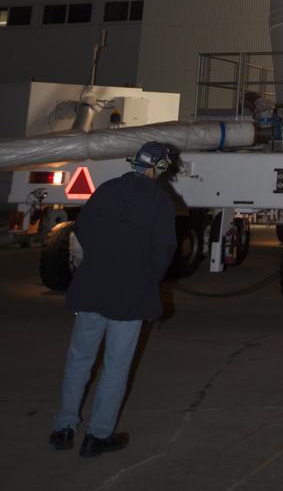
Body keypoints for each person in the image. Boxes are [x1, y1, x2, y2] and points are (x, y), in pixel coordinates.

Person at [48, 141, 176, 457]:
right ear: (159, 168)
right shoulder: (160, 201)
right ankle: (98, 435)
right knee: (116, 367)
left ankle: (63, 428)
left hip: (91, 288)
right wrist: (145, 280)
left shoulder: (105, 189)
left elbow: (83, 232)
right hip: (129, 296)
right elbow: (163, 252)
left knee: (79, 360)